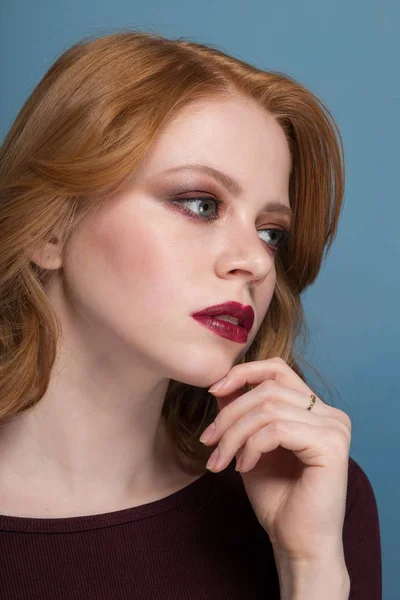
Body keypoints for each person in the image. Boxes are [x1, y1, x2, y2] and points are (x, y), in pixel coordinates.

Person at [0, 30, 381, 599]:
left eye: (270, 231)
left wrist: (310, 567)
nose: (255, 261)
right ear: (51, 228)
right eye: (201, 204)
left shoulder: (316, 497)